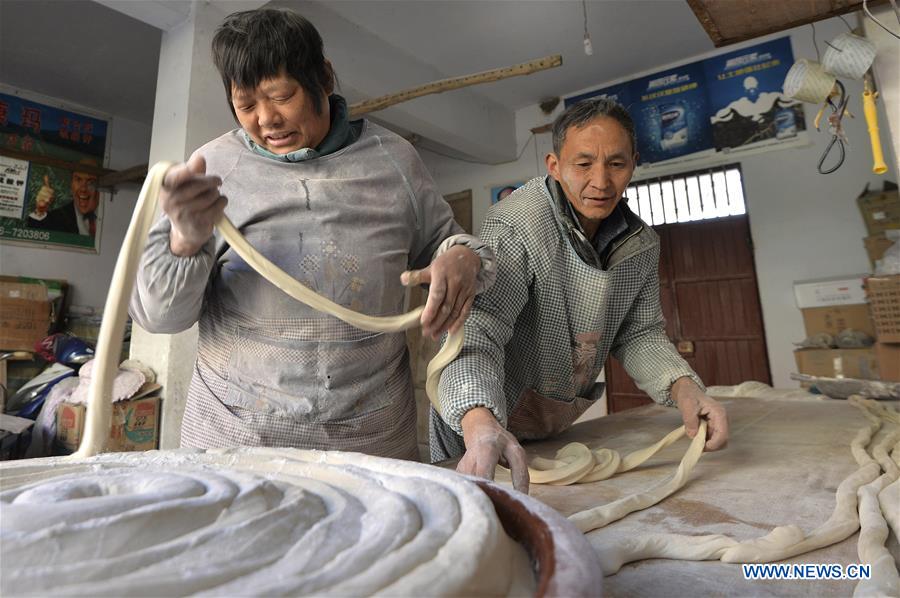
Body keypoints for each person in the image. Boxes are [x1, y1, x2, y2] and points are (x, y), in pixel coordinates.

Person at [128, 8, 494, 460]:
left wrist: (462, 256)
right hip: (237, 441)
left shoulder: (394, 160)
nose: (266, 120)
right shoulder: (211, 170)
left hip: (371, 440)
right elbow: (159, 318)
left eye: (282, 96)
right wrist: (183, 243)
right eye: (245, 105)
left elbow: (446, 242)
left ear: (324, 78)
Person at [431, 98, 728, 493]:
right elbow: (480, 331)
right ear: (554, 166)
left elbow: (638, 333)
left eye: (617, 164)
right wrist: (479, 422)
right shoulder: (518, 223)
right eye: (584, 164)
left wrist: (684, 388)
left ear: (634, 163)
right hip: (478, 421)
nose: (601, 182)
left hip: (550, 424)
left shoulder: (640, 245)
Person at [28, 167, 100, 236]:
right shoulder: (57, 217)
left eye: (91, 181)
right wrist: (40, 211)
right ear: (71, 184)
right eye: (78, 179)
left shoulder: (110, 217)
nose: (83, 189)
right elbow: (32, 235)